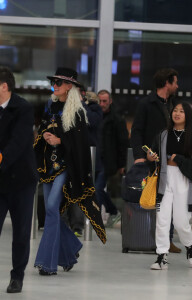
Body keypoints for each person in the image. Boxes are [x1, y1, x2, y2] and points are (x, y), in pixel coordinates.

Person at [34, 67, 106, 276]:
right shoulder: (50, 106)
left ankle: (47, 264)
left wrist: (60, 140)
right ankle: (69, 250)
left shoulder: (77, 111)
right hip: (49, 165)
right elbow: (44, 128)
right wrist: (46, 135)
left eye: (58, 83)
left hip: (67, 166)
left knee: (51, 208)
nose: (54, 86)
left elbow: (80, 143)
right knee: (52, 210)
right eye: (53, 83)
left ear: (69, 87)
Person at [148, 101, 192, 270]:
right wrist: (151, 157)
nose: (177, 113)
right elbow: (154, 153)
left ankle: (190, 247)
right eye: (175, 110)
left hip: (184, 181)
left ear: (187, 115)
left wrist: (179, 159)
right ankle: (161, 256)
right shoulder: (163, 135)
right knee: (162, 219)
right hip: (164, 180)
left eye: (181, 111)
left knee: (181, 222)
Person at [131, 68, 181, 253]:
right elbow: (137, 132)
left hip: (172, 161)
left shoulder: (175, 104)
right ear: (167, 83)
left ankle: (167, 239)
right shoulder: (146, 104)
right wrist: (140, 156)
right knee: (154, 200)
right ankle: (152, 238)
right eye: (175, 82)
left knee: (171, 200)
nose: (177, 86)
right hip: (152, 160)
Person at [0, 66, 38, 293]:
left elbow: (18, 142)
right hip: (0, 181)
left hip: (22, 181)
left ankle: (17, 277)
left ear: (4, 86)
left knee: (21, 232)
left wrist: (1, 159)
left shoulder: (23, 108)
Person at [65, 89, 103, 237]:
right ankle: (64, 222)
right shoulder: (65, 108)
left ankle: (78, 225)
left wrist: (81, 104)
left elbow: (92, 121)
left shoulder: (94, 108)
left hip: (85, 156)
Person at [97, 89, 129, 227]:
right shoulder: (94, 117)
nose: (102, 104)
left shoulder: (117, 120)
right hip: (95, 160)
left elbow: (123, 143)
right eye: (100, 101)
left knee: (97, 189)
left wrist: (122, 164)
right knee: (93, 190)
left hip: (108, 161)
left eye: (105, 101)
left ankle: (113, 211)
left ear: (110, 101)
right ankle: (112, 212)